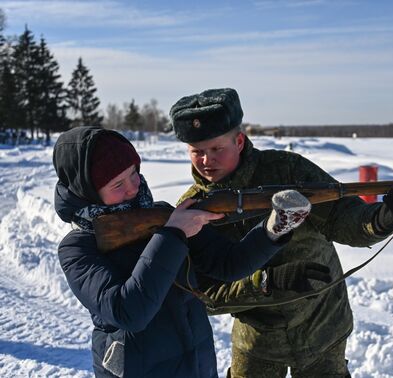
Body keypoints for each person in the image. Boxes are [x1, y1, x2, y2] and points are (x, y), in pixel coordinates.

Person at [169, 88, 393, 378]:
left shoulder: (287, 170)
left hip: (323, 325)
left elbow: (342, 217)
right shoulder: (190, 212)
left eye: (216, 149)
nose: (206, 160)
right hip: (257, 341)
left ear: (239, 141)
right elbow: (201, 293)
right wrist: (265, 283)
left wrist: (381, 220)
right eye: (197, 152)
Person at [52, 126, 314, 378]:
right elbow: (129, 312)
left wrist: (273, 229)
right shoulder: (78, 248)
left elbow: (229, 264)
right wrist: (173, 235)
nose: (133, 188)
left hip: (198, 365)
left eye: (133, 174)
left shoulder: (161, 214)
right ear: (87, 192)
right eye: (117, 185)